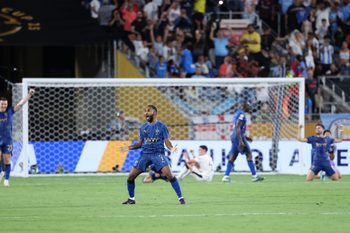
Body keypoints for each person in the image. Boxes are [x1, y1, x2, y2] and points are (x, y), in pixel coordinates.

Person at [121, 105, 185, 204]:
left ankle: (181, 198)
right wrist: (129, 148)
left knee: (169, 175)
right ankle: (131, 199)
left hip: (158, 154)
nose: (146, 113)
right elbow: (140, 143)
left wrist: (172, 148)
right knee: (130, 177)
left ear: (154, 113)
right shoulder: (143, 127)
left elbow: (166, 141)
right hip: (145, 155)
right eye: (145, 111)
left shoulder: (162, 126)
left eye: (148, 111)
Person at [0, 89, 35, 187]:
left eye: (5, 104)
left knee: (7, 160)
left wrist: (29, 95)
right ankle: (1, 172)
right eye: (2, 104)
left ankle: (6, 180)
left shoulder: (10, 111)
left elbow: (20, 104)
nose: (4, 106)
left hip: (7, 140)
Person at [222, 103, 264, 182]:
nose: (250, 108)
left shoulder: (236, 114)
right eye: (249, 106)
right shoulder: (242, 115)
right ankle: (254, 176)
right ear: (245, 106)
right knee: (249, 155)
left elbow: (238, 128)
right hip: (239, 137)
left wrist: (246, 138)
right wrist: (241, 141)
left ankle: (226, 176)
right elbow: (238, 127)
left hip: (234, 136)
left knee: (233, 156)